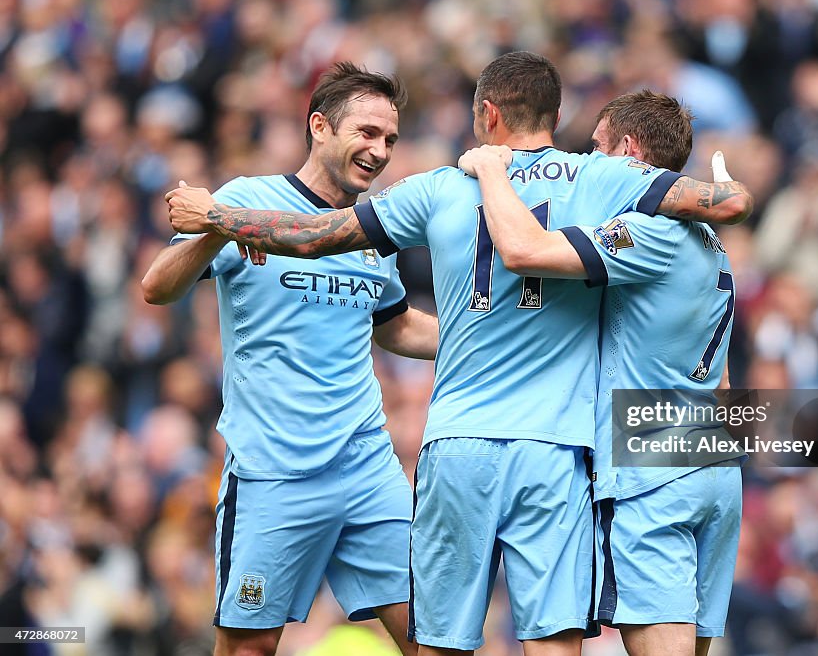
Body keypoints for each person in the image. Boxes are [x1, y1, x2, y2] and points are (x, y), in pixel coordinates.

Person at [163, 51, 752, 656]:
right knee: (555, 642)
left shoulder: (443, 185)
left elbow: (318, 236)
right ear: (555, 114)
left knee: (439, 643)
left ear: (487, 114)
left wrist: (218, 216)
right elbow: (723, 208)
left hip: (468, 448)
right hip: (595, 449)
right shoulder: (606, 184)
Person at [141, 62, 436, 656]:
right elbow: (158, 287)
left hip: (365, 464)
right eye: (367, 133)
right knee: (251, 646)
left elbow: (396, 326)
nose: (379, 152)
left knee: (433, 635)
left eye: (390, 140)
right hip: (273, 470)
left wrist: (485, 337)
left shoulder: (371, 229)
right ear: (320, 126)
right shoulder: (248, 200)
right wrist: (218, 231)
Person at [456, 90, 744, 656]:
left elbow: (522, 250)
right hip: (716, 463)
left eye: (597, 149)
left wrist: (490, 168)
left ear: (630, 152)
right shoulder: (712, 243)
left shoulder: (651, 234)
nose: (587, 166)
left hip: (651, 462)